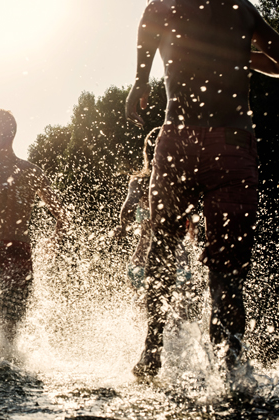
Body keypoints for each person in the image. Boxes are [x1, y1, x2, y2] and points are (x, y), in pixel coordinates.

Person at [125, 0, 279, 381]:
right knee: (227, 268)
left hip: (178, 139)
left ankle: (151, 351)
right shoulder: (243, 10)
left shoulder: (161, 7)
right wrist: (243, 57)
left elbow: (145, 48)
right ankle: (230, 369)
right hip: (231, 142)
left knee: (162, 247)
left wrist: (140, 83)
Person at [0, 109, 67, 361]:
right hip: (17, 249)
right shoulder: (32, 171)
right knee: (8, 327)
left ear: (0, 133)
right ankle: (4, 372)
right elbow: (63, 215)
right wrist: (55, 238)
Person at [113, 128, 194, 299]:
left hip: (142, 264)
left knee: (144, 320)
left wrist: (123, 227)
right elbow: (193, 226)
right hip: (178, 266)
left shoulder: (140, 180)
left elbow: (128, 207)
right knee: (182, 322)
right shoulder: (180, 180)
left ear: (147, 153)